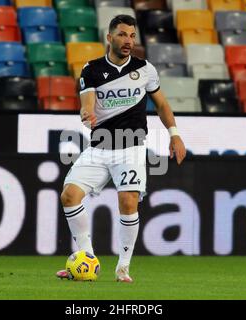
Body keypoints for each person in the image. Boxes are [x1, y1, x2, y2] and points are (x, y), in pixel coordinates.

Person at [56, 14, 186, 282]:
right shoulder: (91, 69)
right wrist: (87, 112)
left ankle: (123, 267)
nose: (128, 41)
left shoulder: (145, 69)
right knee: (69, 196)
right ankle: (88, 258)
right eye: (123, 35)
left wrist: (174, 135)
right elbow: (88, 102)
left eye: (132, 35)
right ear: (109, 37)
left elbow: (161, 104)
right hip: (99, 147)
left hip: (131, 147)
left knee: (128, 202)